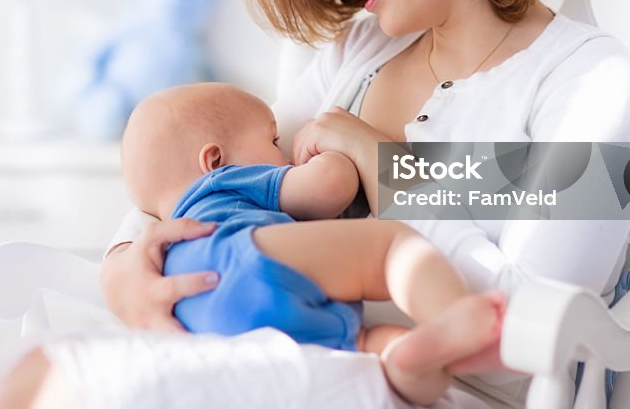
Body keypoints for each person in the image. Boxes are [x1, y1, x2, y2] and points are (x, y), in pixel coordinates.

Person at [100, 0, 630, 404]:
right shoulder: (357, 53)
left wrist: (385, 168)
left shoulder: (589, 82)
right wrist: (123, 270)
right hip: (285, 372)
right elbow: (201, 171)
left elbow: (527, 340)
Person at [121, 81, 506, 405]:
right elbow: (331, 188)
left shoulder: (167, 237)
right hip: (245, 258)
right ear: (215, 160)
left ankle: (404, 358)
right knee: (389, 248)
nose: (284, 152)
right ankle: (456, 317)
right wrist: (333, 156)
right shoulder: (226, 181)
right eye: (274, 140)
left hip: (199, 321)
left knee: (365, 348)